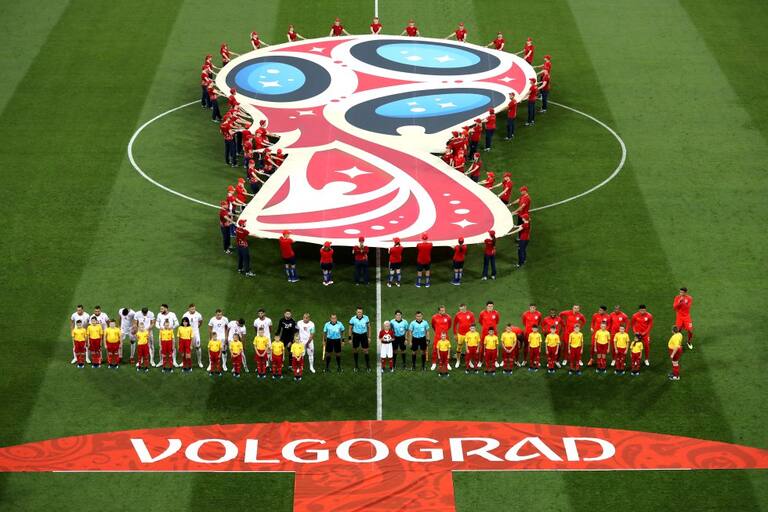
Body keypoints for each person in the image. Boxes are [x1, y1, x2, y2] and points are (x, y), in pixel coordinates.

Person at [182, 304, 205, 369]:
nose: (193, 310)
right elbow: (183, 323)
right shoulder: (185, 315)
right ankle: (184, 362)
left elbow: (201, 321)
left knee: (198, 347)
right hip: (187, 333)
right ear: (189, 309)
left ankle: (199, 362)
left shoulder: (198, 314)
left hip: (196, 333)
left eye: (194, 309)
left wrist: (197, 327)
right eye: (192, 309)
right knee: (186, 348)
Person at [348, 307, 371, 372]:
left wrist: (369, 337)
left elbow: (369, 327)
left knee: (366, 350)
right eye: (358, 312)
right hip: (356, 335)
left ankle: (368, 366)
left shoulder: (366, 318)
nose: (359, 313)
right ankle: (356, 366)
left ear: (362, 312)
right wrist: (350, 338)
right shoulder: (353, 319)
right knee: (355, 350)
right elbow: (350, 328)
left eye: (360, 312)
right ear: (356, 312)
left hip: (364, 335)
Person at [452, 304, 475, 369]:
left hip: (469, 334)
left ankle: (469, 361)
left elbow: (473, 324)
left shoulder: (471, 314)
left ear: (465, 307)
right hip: (460, 334)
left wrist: (473, 333)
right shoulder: (457, 315)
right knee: (459, 348)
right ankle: (458, 361)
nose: (461, 310)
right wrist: (455, 334)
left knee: (469, 348)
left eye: (462, 309)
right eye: (460, 309)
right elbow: (454, 325)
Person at [478, 301, 500, 367]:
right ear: (486, 306)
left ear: (493, 306)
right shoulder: (482, 313)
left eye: (491, 306)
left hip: (494, 333)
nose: (490, 307)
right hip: (484, 333)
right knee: (482, 347)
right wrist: (485, 327)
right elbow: (480, 321)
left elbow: (497, 321)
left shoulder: (496, 313)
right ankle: (480, 361)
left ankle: (495, 361)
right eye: (489, 306)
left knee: (495, 346)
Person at [430, 306, 452, 370]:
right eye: (442, 310)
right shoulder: (434, 317)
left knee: (447, 349)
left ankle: (447, 363)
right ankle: (434, 362)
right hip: (437, 336)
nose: (443, 311)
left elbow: (449, 325)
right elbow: (433, 325)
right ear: (439, 311)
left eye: (444, 310)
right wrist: (437, 332)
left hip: (445, 336)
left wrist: (444, 333)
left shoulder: (448, 317)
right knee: (435, 349)